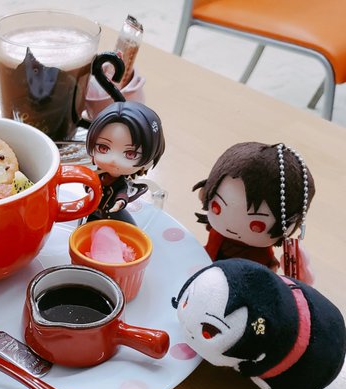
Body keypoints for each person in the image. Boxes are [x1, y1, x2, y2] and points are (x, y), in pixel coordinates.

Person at [193, 142, 315, 272]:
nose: (233, 226)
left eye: (257, 225)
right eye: (217, 208)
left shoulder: (261, 254)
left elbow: (268, 267)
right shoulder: (217, 234)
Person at [85, 101, 165, 224]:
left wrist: (120, 203)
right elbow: (88, 183)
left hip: (112, 215)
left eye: (130, 154)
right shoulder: (97, 176)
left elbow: (122, 194)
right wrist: (90, 190)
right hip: (93, 211)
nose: (113, 159)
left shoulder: (121, 184)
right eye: (103, 148)